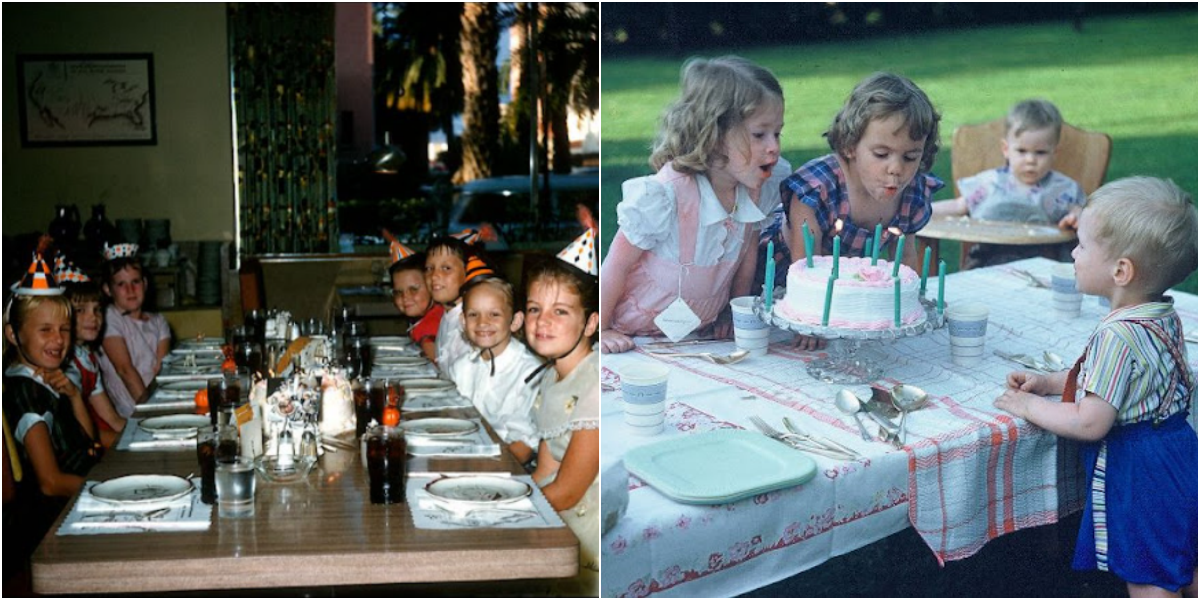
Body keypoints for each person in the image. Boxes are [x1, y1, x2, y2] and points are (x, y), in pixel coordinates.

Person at [994, 177, 1197, 598]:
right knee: (1184, 561)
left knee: (1148, 578)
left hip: (1141, 472)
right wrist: (1052, 382)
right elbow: (1126, 379)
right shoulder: (1160, 315)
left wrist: (1028, 405)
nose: (1073, 252)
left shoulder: (1116, 335)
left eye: (1082, 245)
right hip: (1180, 452)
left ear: (1120, 270)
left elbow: (1090, 422)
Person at [600, 55, 791, 354]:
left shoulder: (756, 190)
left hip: (698, 335)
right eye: (759, 134)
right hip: (631, 334)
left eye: (777, 133)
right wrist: (603, 327)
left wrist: (732, 311)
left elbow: (745, 255)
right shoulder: (666, 195)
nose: (774, 147)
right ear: (714, 136)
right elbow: (616, 263)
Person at [772, 72, 942, 348]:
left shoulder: (911, 191)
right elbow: (804, 264)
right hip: (781, 285)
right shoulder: (817, 187)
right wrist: (811, 319)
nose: (896, 168)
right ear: (851, 146)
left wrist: (905, 311)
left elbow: (905, 258)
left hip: (848, 302)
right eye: (881, 154)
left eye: (910, 156)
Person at [3, 254, 102, 577]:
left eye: (64, 329)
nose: (58, 340)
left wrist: (73, 396)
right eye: (45, 330)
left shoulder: (46, 379)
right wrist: (102, 491)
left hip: (72, 505)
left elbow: (89, 441)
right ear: (13, 335)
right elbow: (49, 482)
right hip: (51, 526)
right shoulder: (24, 392)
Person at [528, 230, 600, 595]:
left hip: (588, 540)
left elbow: (569, 491)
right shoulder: (550, 376)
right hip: (555, 516)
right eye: (534, 309)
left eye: (560, 311)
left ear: (590, 323)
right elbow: (546, 469)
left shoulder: (594, 384)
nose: (542, 322)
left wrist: (510, 515)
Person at [931, 98, 1086, 268]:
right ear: (1006, 149)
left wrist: (1077, 217)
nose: (1030, 160)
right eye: (1021, 151)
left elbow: (1084, 215)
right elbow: (958, 206)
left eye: (1040, 152)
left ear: (1054, 153)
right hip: (989, 261)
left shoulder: (1063, 190)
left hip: (1043, 264)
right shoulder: (991, 183)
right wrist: (919, 211)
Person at [446, 276, 541, 465]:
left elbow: (524, 447)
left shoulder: (529, 374)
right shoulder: (461, 367)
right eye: (474, 314)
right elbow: (452, 419)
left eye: (494, 314)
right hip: (465, 454)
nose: (483, 322)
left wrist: (482, 468)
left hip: (506, 464)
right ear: (463, 321)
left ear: (515, 321)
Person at [96, 244, 170, 418]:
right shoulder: (109, 318)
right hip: (131, 412)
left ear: (144, 283)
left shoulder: (159, 322)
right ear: (108, 289)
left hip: (158, 403)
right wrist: (151, 413)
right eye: (121, 284)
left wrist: (163, 408)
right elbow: (125, 370)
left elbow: (162, 371)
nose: (130, 290)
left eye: (135, 282)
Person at [58, 261, 125, 448]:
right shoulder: (64, 366)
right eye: (80, 310)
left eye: (97, 310)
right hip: (83, 441)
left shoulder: (87, 357)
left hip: (99, 431)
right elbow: (79, 432)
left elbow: (111, 417)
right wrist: (123, 443)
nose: (93, 317)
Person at [426, 231, 493, 369]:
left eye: (446, 268)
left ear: (468, 273)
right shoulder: (448, 315)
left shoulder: (470, 326)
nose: (433, 276)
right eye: (429, 268)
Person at [384, 233, 442, 362]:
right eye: (398, 292)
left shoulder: (429, 328)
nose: (405, 297)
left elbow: (435, 370)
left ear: (431, 286)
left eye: (414, 289)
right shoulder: (427, 318)